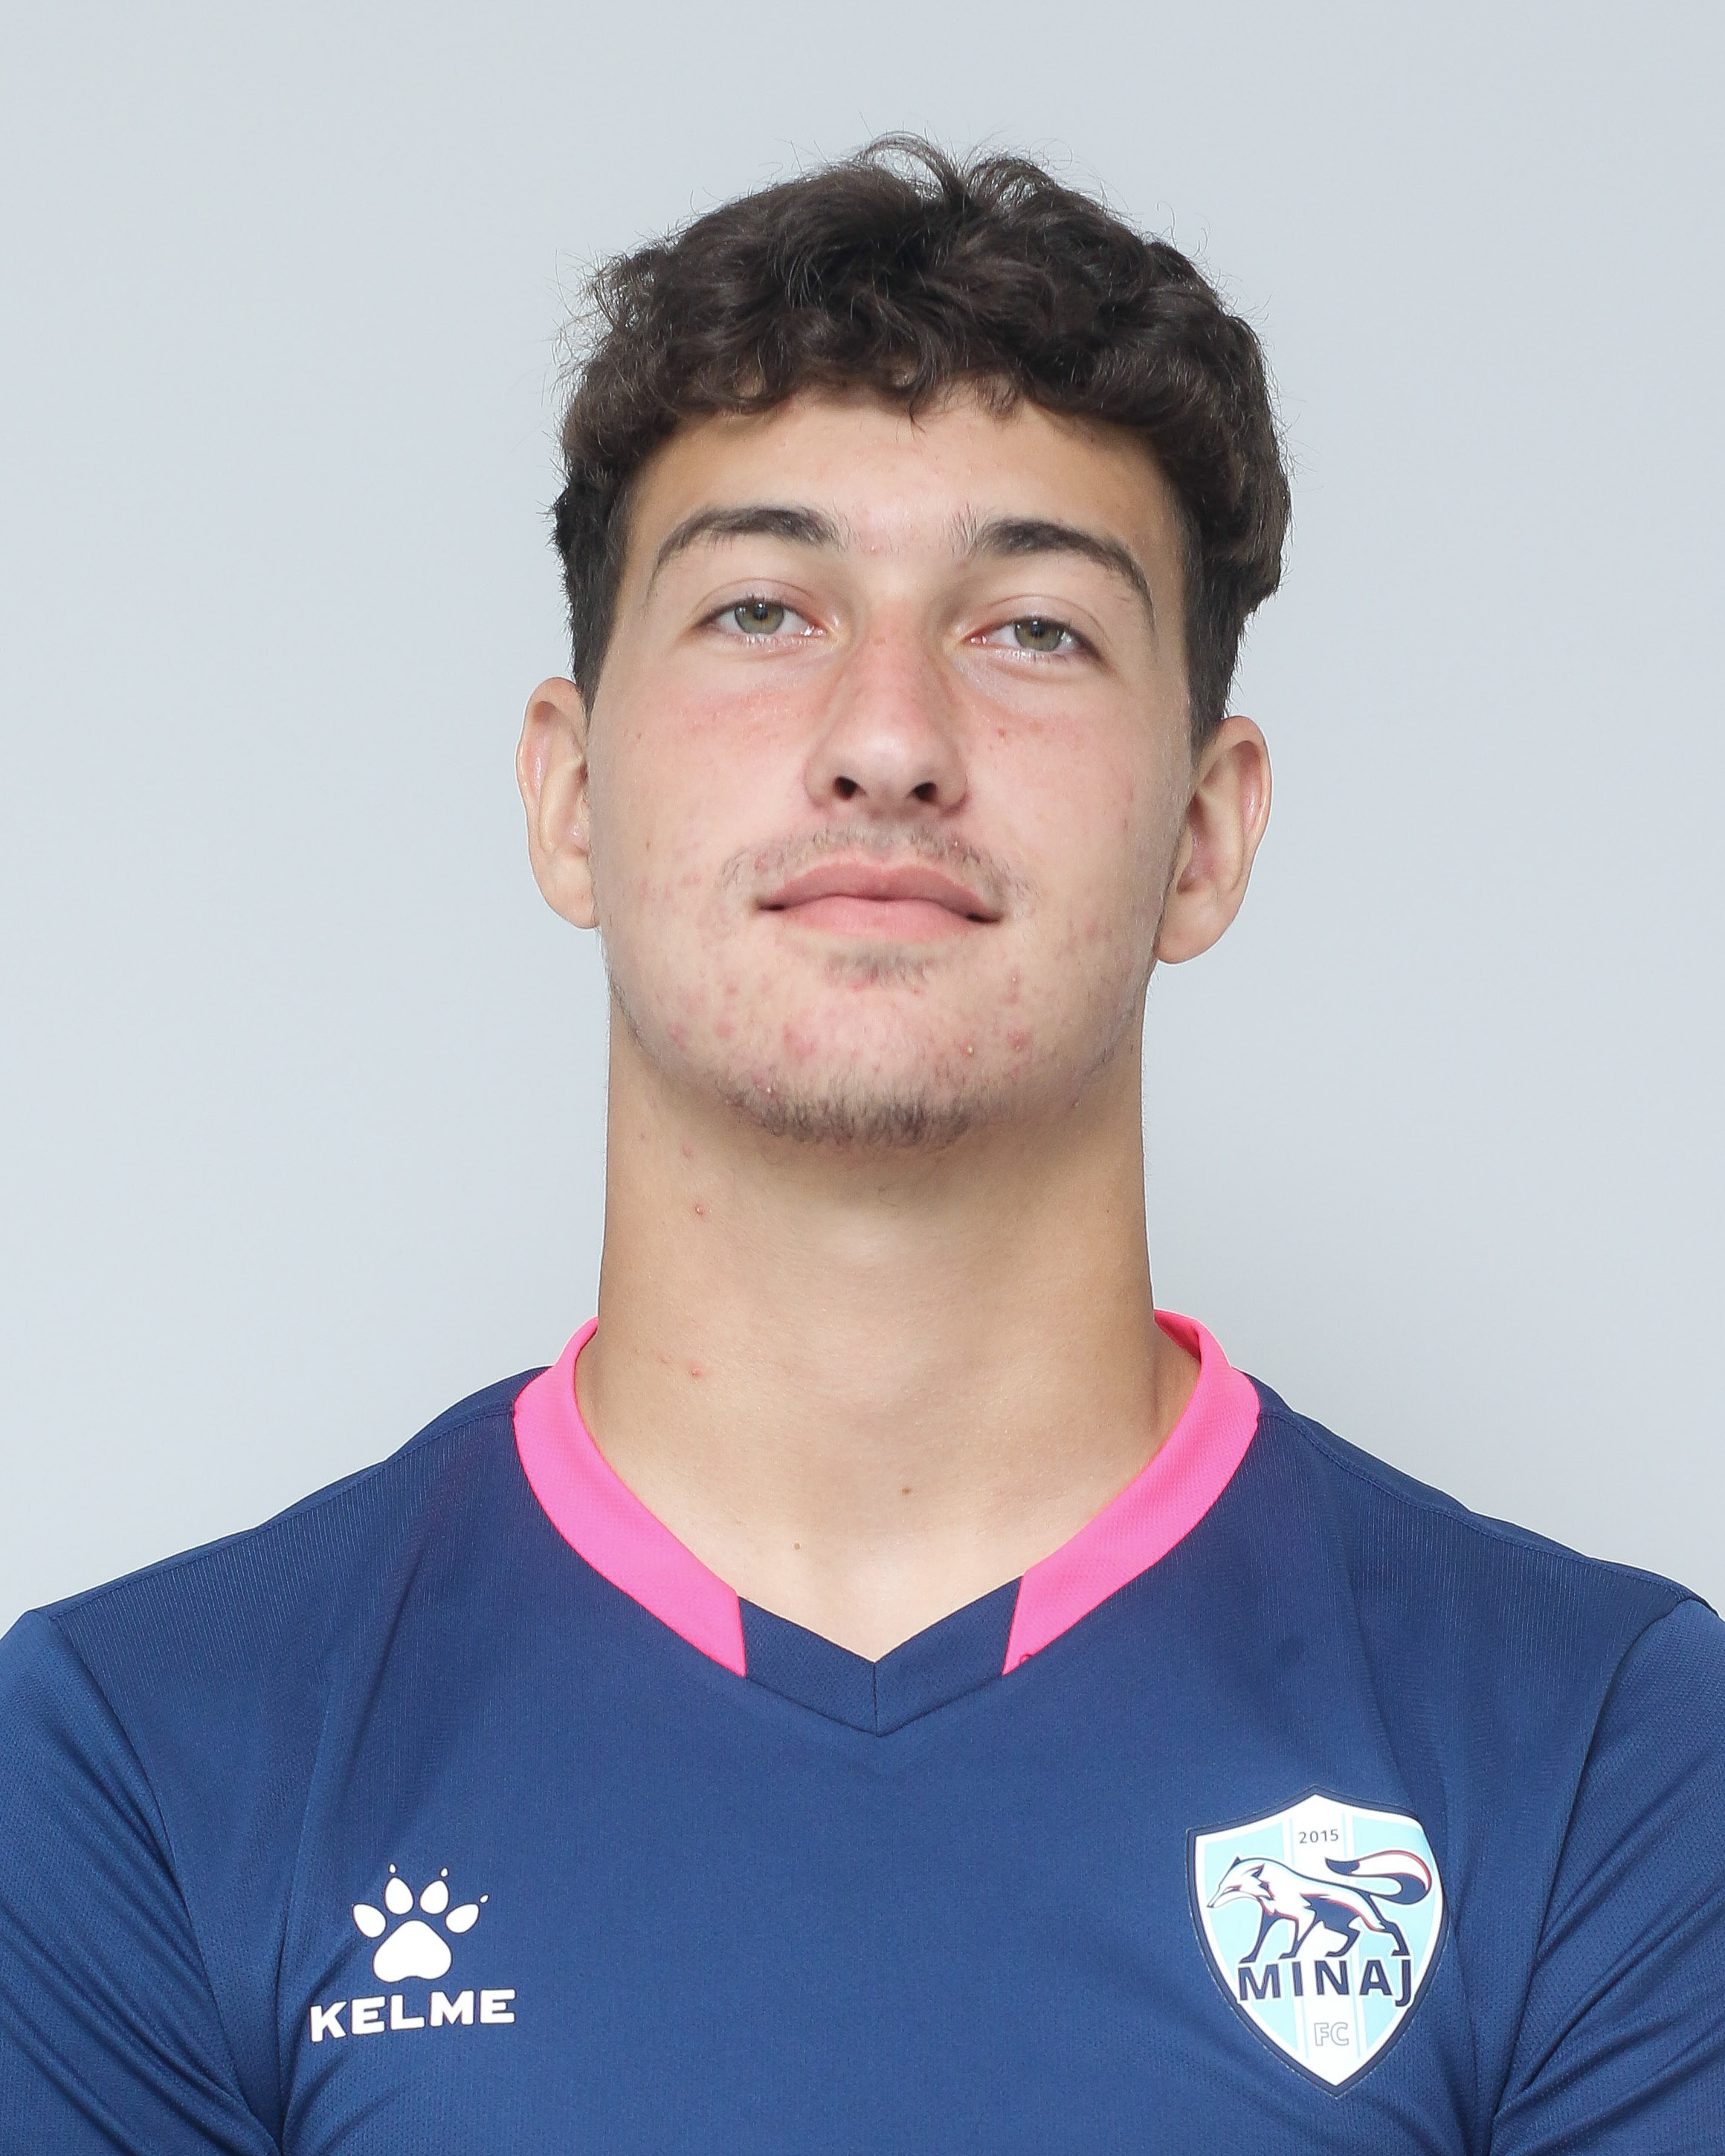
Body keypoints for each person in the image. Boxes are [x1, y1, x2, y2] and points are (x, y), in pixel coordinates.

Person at [1, 139, 1721, 2156]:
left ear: (1205, 832)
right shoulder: (144, 1762)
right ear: (568, 795)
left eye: (1035, 630)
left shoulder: (1600, 1752)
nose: (889, 736)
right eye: (761, 608)